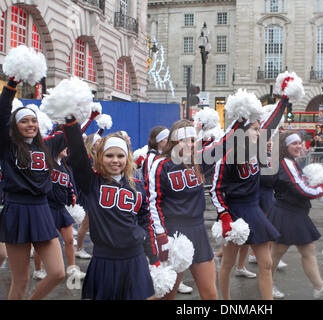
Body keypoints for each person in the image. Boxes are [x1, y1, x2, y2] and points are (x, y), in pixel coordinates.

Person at [62, 117, 160, 300]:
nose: (115, 160)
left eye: (120, 156)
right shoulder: (91, 182)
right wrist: (70, 121)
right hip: (104, 260)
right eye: (109, 155)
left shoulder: (137, 186)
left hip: (135, 259)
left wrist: (154, 259)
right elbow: (77, 154)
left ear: (127, 158)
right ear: (100, 157)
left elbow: (146, 222)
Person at [210, 93, 288, 300]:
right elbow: (215, 190)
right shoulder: (227, 156)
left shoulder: (258, 152)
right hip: (235, 212)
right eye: (255, 129)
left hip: (254, 209)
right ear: (243, 132)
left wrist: (284, 101)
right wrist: (225, 217)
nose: (260, 132)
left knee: (267, 262)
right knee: (228, 263)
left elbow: (271, 124)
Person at [0, 79, 66, 299]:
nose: (30, 125)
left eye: (33, 121)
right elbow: (1, 115)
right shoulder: (7, 146)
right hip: (16, 209)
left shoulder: (46, 146)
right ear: (14, 126)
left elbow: (71, 134)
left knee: (57, 272)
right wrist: (10, 87)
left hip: (41, 209)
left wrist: (72, 112)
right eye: (24, 121)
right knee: (21, 280)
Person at [148, 119, 221, 300]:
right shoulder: (161, 165)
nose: (190, 144)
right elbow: (152, 202)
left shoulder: (198, 161)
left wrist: (242, 122)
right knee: (166, 295)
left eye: (192, 140)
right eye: (185, 140)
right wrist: (160, 236)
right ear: (174, 141)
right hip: (174, 234)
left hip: (199, 230)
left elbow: (227, 142)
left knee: (211, 294)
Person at [268, 131, 323, 299]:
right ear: (285, 147)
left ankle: (319, 286)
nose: (299, 146)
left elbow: (299, 185)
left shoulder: (291, 162)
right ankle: (267, 283)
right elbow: (300, 189)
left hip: (294, 212)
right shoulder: (286, 163)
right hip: (287, 212)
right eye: (294, 143)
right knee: (278, 252)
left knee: (307, 249)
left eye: (300, 143)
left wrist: (316, 183)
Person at [32, 147, 86, 282]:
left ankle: (72, 268)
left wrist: (70, 195)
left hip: (61, 208)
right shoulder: (47, 162)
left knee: (68, 240)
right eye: (63, 146)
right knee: (42, 241)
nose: (66, 149)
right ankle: (38, 270)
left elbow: (67, 184)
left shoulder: (65, 165)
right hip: (47, 206)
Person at [74, 132, 102, 260]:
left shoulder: (98, 156)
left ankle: (97, 247)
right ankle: (79, 249)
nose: (100, 143)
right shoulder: (88, 158)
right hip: (88, 193)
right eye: (98, 141)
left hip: (96, 192)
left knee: (94, 221)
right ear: (92, 144)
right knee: (87, 222)